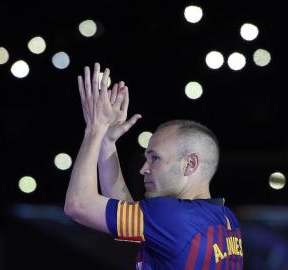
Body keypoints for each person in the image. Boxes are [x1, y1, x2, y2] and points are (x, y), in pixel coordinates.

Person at [64, 63, 244, 269]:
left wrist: (95, 129)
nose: (144, 169)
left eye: (155, 158)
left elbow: (78, 205)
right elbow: (129, 212)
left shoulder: (173, 216)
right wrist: (107, 143)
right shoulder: (226, 218)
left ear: (190, 164)